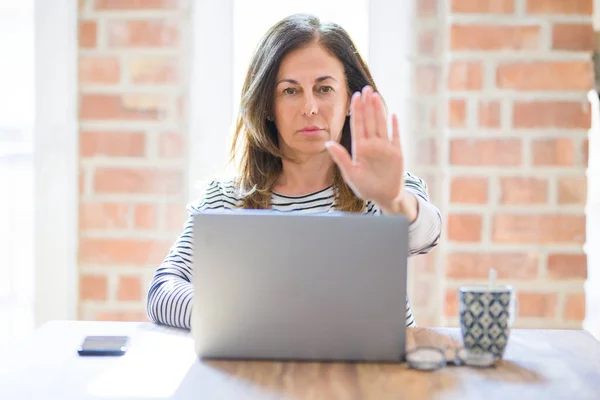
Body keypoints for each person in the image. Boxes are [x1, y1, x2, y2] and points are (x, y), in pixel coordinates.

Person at [146, 13, 442, 330]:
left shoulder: (386, 190)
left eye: (324, 89)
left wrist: (393, 199)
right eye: (290, 91)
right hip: (262, 377)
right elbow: (163, 290)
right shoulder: (226, 200)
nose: (309, 107)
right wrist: (243, 317)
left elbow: (427, 234)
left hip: (377, 378)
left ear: (349, 101)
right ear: (267, 106)